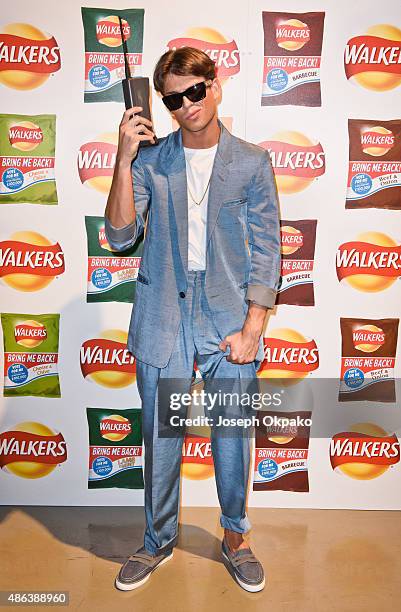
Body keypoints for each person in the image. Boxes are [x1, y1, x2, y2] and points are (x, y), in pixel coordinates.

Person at [104, 47, 281, 593]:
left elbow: (266, 250)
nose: (187, 105)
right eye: (173, 99)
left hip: (228, 313)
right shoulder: (153, 162)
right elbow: (119, 236)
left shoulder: (251, 162)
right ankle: (156, 540)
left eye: (195, 91)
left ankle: (235, 536)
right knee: (161, 437)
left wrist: (254, 326)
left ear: (215, 86)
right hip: (164, 314)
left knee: (231, 434)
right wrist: (123, 157)